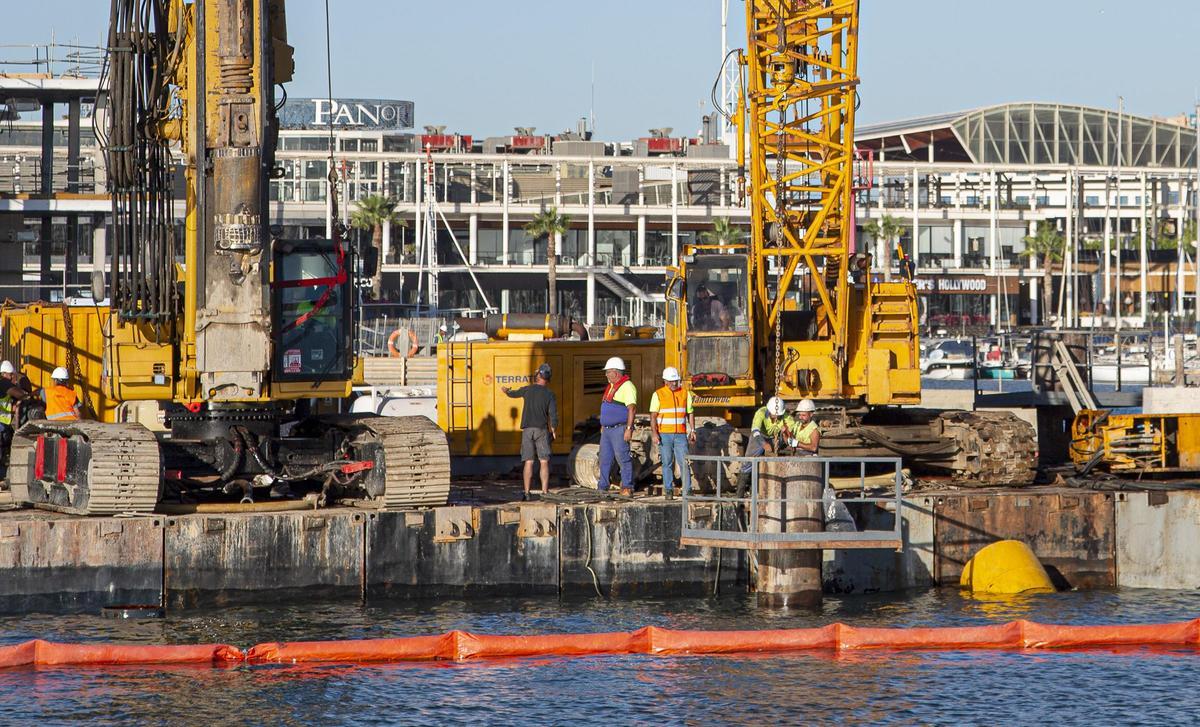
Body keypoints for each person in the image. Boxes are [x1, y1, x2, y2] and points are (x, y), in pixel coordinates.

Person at [502, 363, 559, 501]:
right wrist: (554, 429)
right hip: (542, 430)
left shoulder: (528, 390)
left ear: (538, 375)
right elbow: (553, 414)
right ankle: (544, 492)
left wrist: (506, 391)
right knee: (544, 461)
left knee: (528, 462)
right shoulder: (550, 394)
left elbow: (513, 394)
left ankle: (527, 493)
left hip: (528, 430)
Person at [649, 366, 695, 499]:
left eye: (676, 381)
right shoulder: (658, 394)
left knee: (684, 462)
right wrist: (655, 433)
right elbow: (653, 416)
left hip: (680, 434)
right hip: (664, 434)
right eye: (672, 381)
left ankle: (687, 490)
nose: (674, 383)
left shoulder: (685, 393)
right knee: (667, 462)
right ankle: (668, 490)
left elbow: (690, 413)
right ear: (665, 381)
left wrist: (692, 430)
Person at [736, 396, 796, 496]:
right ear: (769, 410)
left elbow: (793, 433)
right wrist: (764, 445)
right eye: (774, 415)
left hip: (774, 438)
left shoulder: (785, 416)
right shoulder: (761, 413)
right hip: (760, 436)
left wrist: (787, 432)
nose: (777, 417)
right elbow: (755, 432)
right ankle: (739, 495)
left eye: (779, 415)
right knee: (748, 463)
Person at [597, 356, 637, 496]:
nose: (606, 374)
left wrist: (628, 429)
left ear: (616, 372)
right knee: (604, 459)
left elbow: (631, 409)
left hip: (619, 429)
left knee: (623, 458)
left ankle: (627, 486)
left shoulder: (627, 387)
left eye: (608, 371)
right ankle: (602, 486)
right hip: (607, 430)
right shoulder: (611, 387)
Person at [0, 361, 31, 467]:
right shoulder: (4, 382)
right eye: (11, 374)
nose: (12, 376)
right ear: (4, 374)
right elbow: (21, 395)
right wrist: (29, 395)